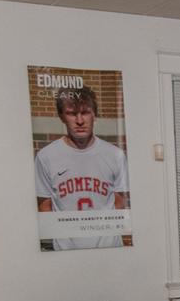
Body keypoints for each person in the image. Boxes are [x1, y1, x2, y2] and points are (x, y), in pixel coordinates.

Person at [34, 85, 130, 249]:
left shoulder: (115, 155)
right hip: (66, 251)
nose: (79, 121)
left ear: (95, 114)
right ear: (62, 117)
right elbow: (45, 206)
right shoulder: (46, 156)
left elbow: (119, 202)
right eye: (72, 113)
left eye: (85, 112)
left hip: (109, 250)